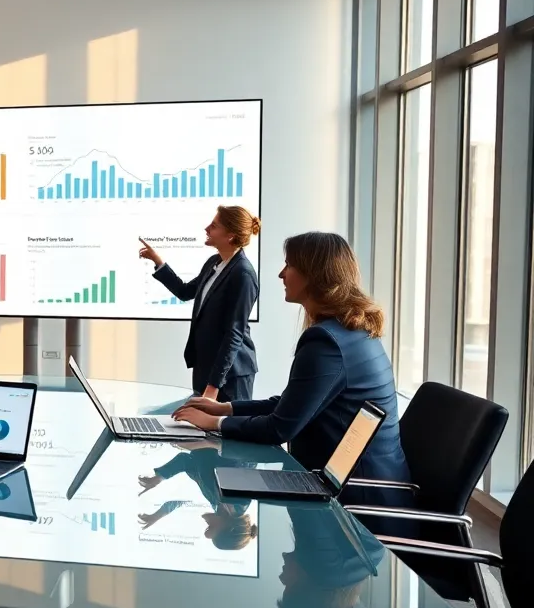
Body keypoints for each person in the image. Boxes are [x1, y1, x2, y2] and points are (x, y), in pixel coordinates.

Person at [173, 232, 411, 506]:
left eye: (289, 265)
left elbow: (279, 429)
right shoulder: (349, 332)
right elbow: (291, 405)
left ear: (313, 274)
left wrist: (214, 424)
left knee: (228, 485)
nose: (281, 274)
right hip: (362, 484)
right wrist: (226, 408)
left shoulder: (326, 342)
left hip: (359, 502)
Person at [139, 205, 261, 402]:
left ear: (230, 235)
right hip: (206, 369)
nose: (207, 229)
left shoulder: (243, 274)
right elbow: (185, 291)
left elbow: (234, 334)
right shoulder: (214, 262)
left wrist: (214, 385)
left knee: (227, 431)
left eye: (214, 226)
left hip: (230, 376)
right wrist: (157, 261)